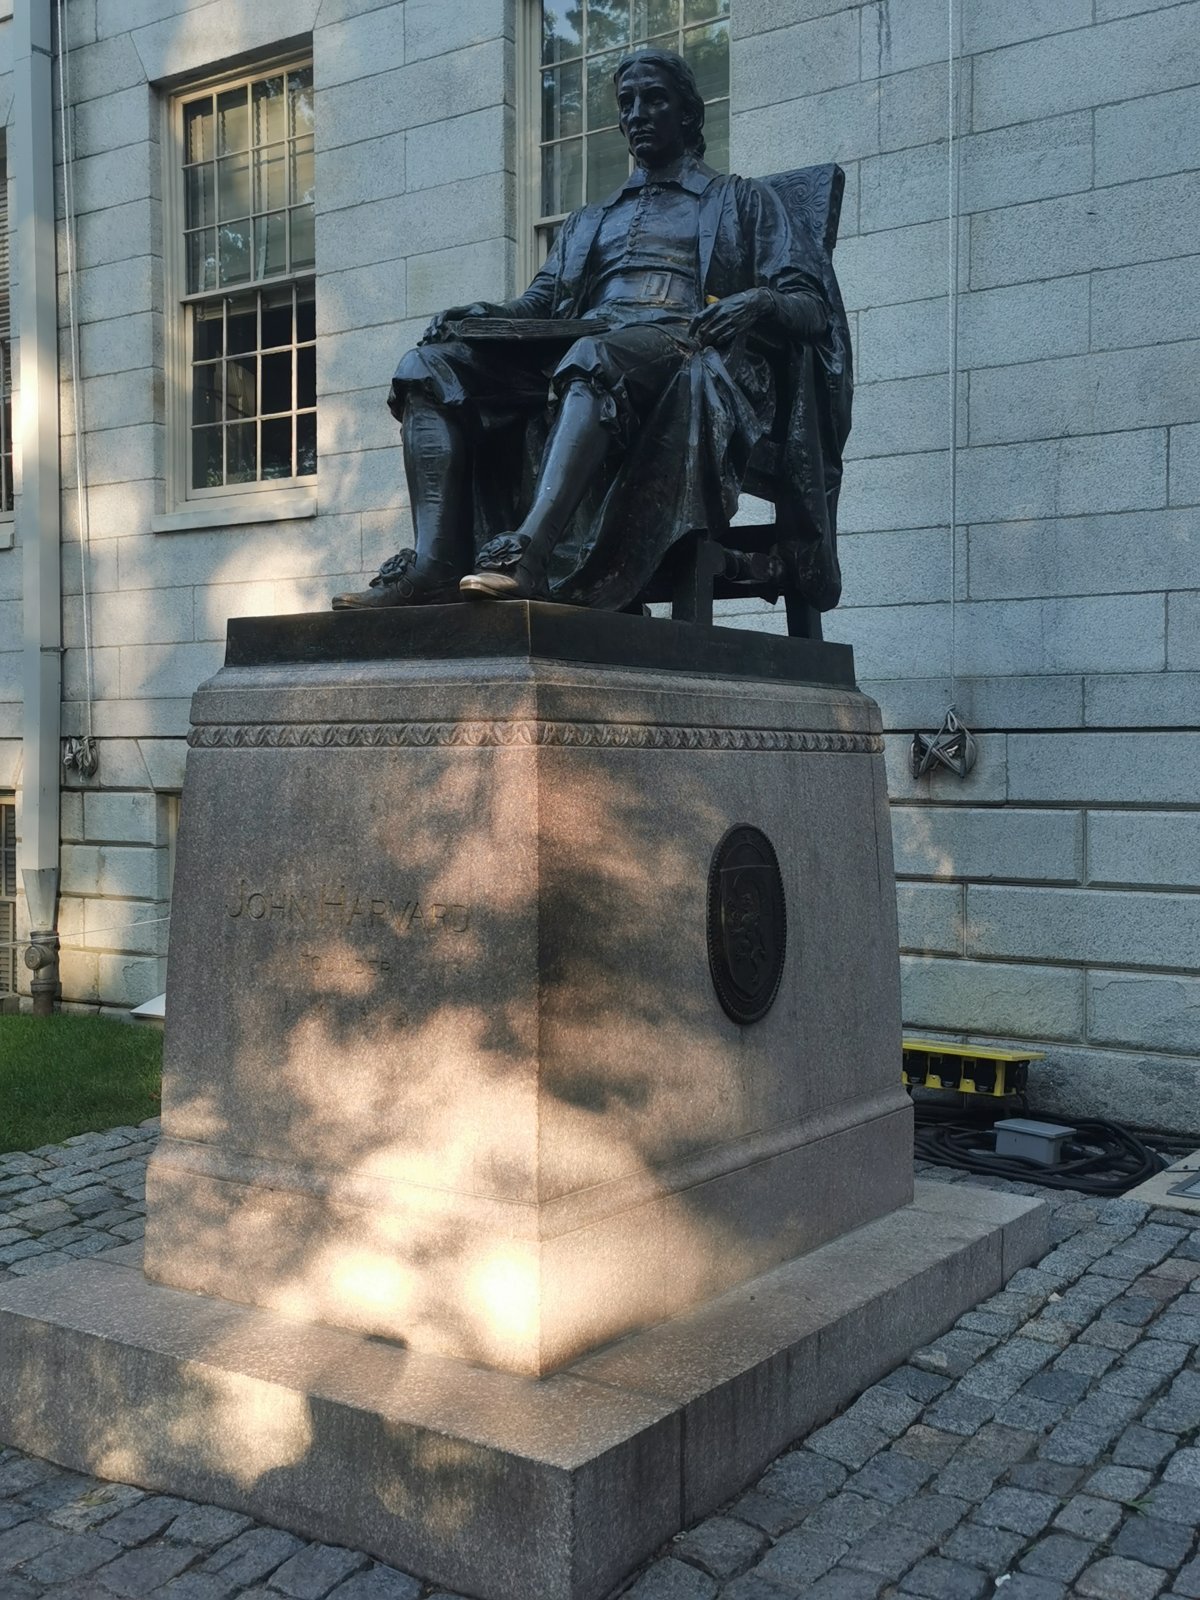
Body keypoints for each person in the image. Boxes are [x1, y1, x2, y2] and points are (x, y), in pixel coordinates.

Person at [333, 49, 849, 613]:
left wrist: (758, 301)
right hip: (589, 342)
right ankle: (435, 565)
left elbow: (811, 306)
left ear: (688, 114)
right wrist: (481, 313)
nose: (637, 113)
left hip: (684, 345)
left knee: (593, 356)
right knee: (427, 367)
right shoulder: (591, 218)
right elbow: (540, 303)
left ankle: (529, 556)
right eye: (627, 103)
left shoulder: (741, 198)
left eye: (654, 99)